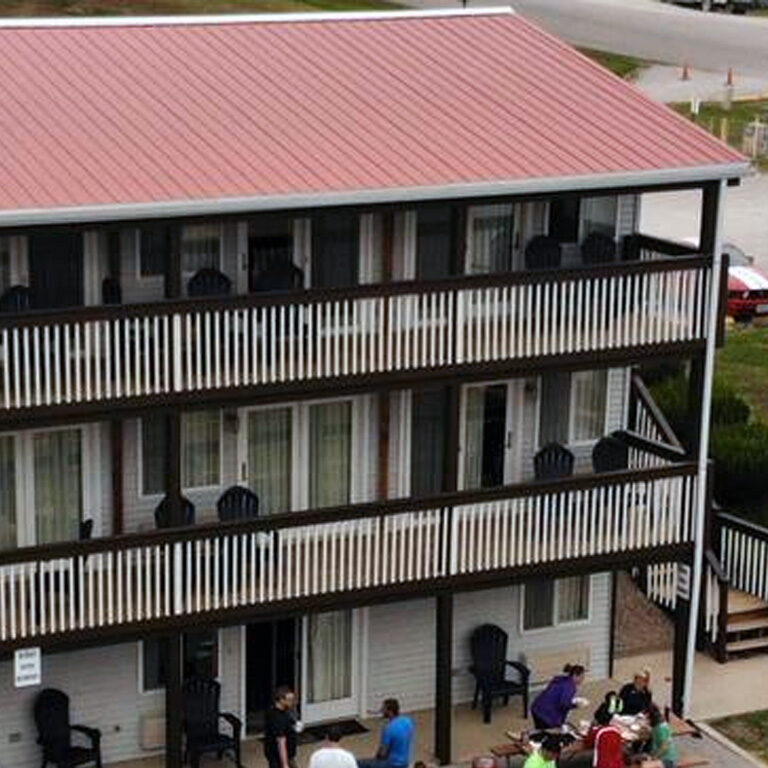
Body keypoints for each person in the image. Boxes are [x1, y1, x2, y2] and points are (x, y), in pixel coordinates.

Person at [358, 698, 414, 768]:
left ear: (390, 712)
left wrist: (376, 759)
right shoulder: (408, 721)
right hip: (405, 763)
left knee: (359, 763)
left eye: (383, 709)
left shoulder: (389, 728)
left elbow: (382, 753)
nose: (381, 711)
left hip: (392, 764)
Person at [530, 664, 587, 729]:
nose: (583, 680)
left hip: (537, 707)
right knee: (546, 733)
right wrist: (576, 705)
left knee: (539, 729)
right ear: (575, 675)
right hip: (546, 714)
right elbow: (564, 704)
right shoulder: (570, 686)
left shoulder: (561, 679)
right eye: (581, 677)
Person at [264, 686, 298, 768]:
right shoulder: (278, 719)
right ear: (281, 700)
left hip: (287, 756)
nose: (292, 702)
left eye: (293, 699)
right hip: (279, 757)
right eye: (289, 700)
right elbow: (281, 742)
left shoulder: (282, 711)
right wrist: (285, 764)